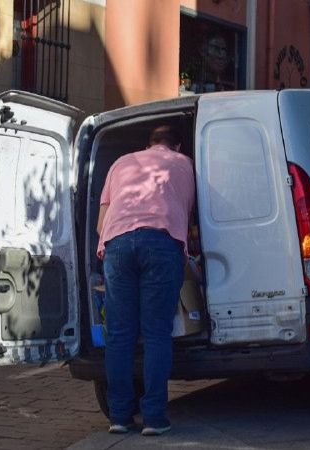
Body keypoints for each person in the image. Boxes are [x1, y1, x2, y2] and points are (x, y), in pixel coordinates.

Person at [96, 125, 195, 436]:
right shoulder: (184, 164)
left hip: (118, 242)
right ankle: (153, 418)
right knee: (156, 333)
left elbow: (101, 223)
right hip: (161, 243)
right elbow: (187, 214)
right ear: (176, 145)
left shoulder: (120, 163)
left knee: (120, 335)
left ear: (149, 143)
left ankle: (120, 416)